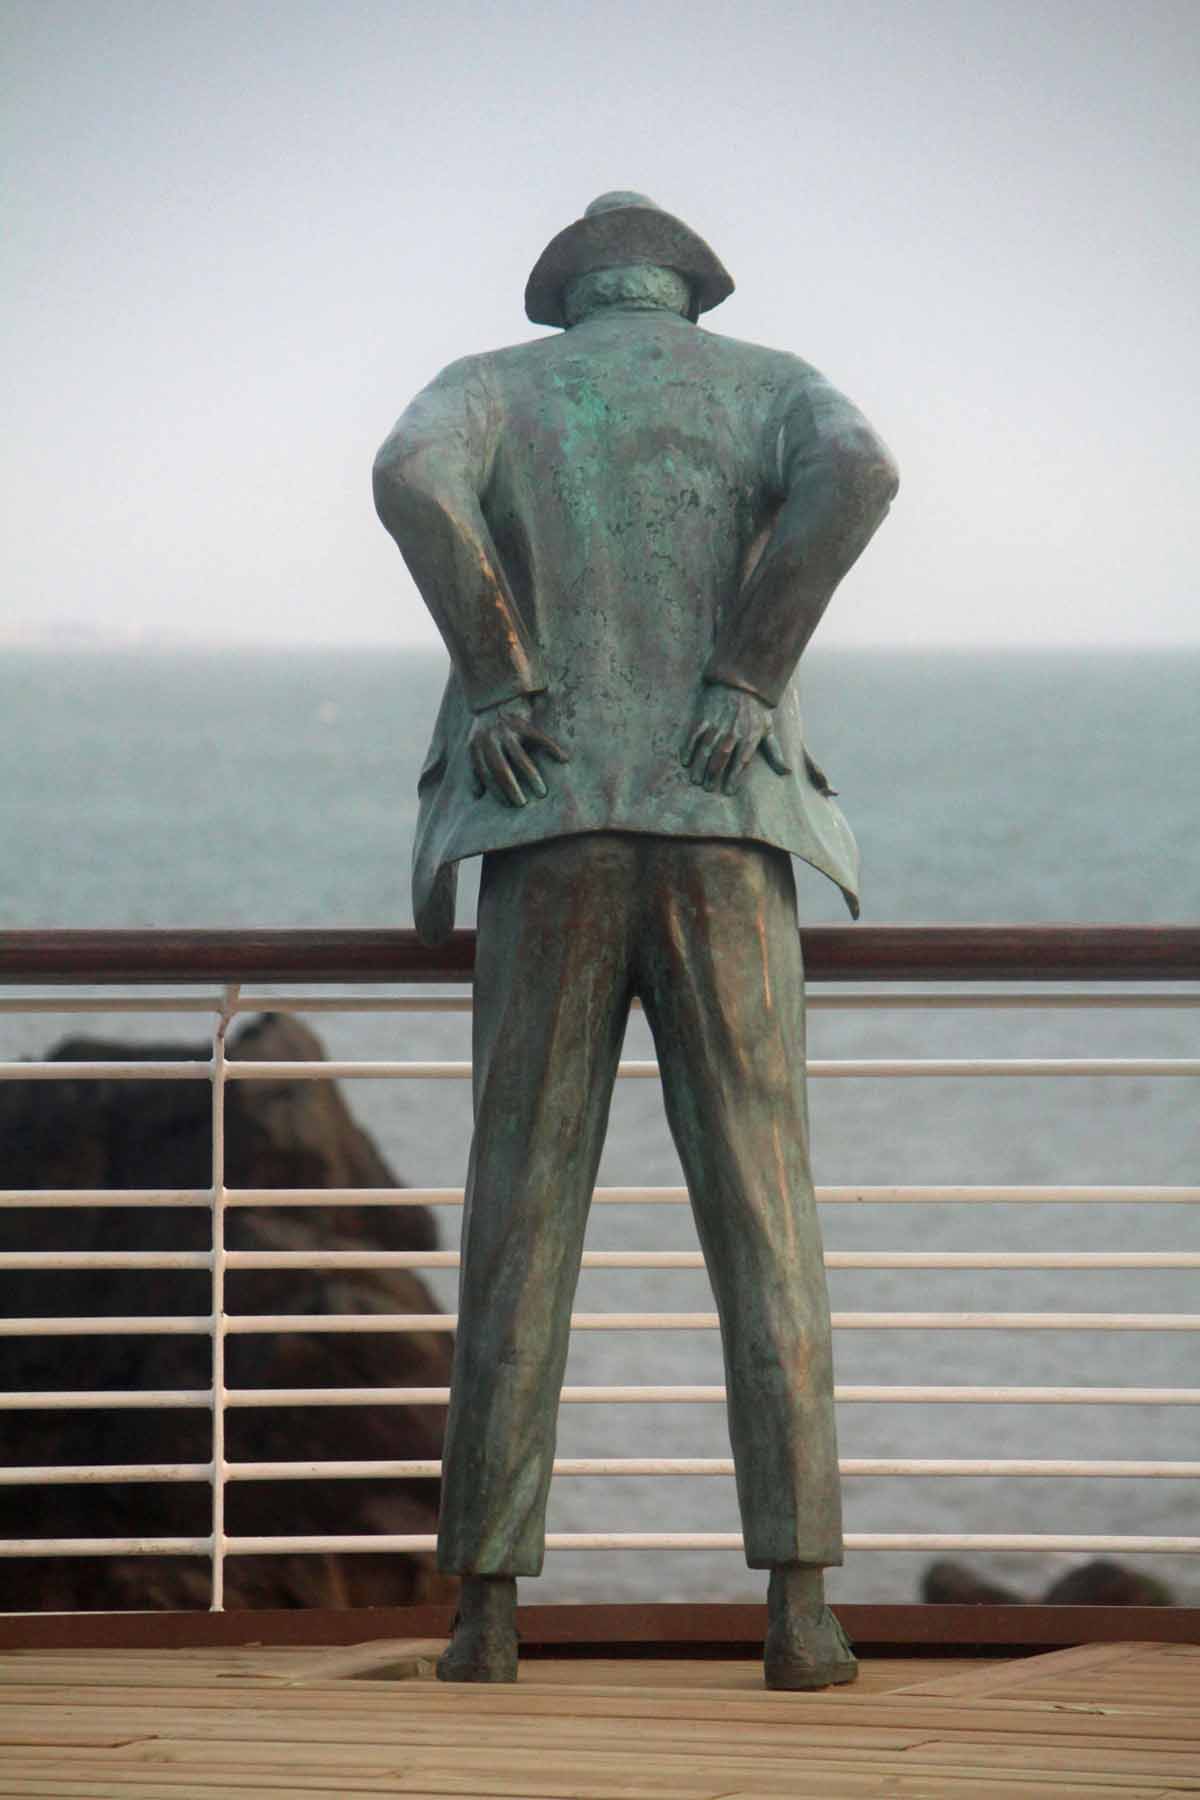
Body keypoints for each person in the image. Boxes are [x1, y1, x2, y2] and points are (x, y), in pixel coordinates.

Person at [373, 192, 898, 1687]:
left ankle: (484, 1613)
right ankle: (799, 1609)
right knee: (764, 1209)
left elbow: (410, 478)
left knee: (519, 1208)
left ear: (572, 296)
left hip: (545, 832)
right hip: (725, 827)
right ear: (688, 293)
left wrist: (498, 677)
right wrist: (747, 669)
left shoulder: (487, 386)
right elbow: (859, 471)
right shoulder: (775, 383)